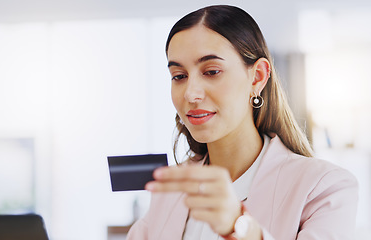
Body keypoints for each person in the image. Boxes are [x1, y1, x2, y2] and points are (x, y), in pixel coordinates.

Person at [126, 5, 358, 240]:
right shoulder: (167, 194)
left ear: (257, 77)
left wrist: (237, 225)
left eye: (212, 71)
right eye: (179, 76)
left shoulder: (325, 188)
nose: (190, 94)